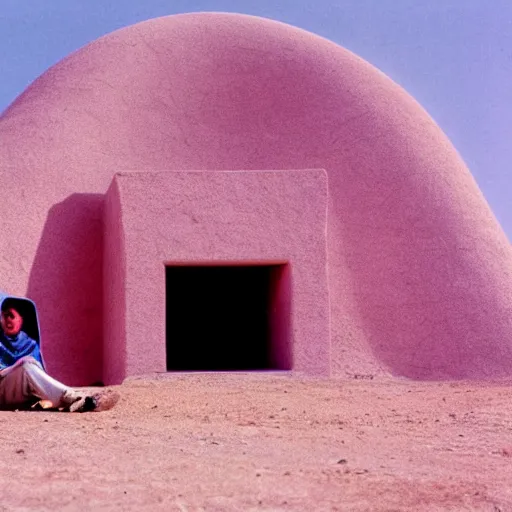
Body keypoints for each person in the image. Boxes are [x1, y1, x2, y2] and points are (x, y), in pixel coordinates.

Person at [0, 295, 112, 412]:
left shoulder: (30, 344)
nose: (7, 320)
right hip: (2, 390)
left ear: (21, 319)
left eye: (11, 316)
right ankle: (72, 397)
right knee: (27, 366)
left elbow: (38, 378)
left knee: (30, 367)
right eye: (4, 315)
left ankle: (80, 401)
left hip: (23, 395)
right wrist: (19, 364)